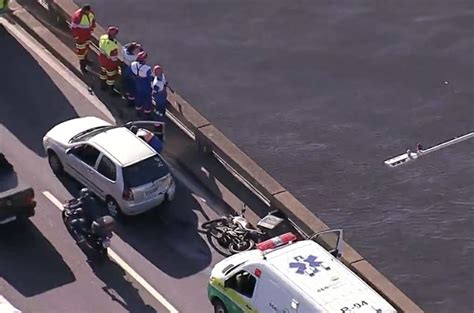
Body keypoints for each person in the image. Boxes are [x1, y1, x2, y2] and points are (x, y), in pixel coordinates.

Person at [70, 4, 96, 73]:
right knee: (81, 52)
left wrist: (92, 26)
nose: (88, 12)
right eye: (87, 11)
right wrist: (76, 36)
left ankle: (86, 60)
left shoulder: (91, 13)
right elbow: (73, 27)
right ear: (84, 10)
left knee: (86, 48)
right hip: (80, 37)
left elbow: (93, 20)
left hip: (87, 35)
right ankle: (82, 66)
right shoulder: (77, 16)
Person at [98, 26, 120, 95]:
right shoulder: (112, 46)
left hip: (102, 58)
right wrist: (116, 65)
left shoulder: (103, 37)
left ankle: (102, 85)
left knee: (103, 71)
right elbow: (114, 58)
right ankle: (111, 90)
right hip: (109, 62)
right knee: (111, 75)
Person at [121, 42, 142, 107]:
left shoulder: (124, 51)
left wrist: (132, 45)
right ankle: (131, 101)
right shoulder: (134, 57)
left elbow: (125, 46)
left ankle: (126, 93)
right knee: (132, 86)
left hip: (125, 67)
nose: (138, 50)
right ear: (133, 50)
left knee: (126, 82)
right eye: (136, 49)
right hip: (131, 70)